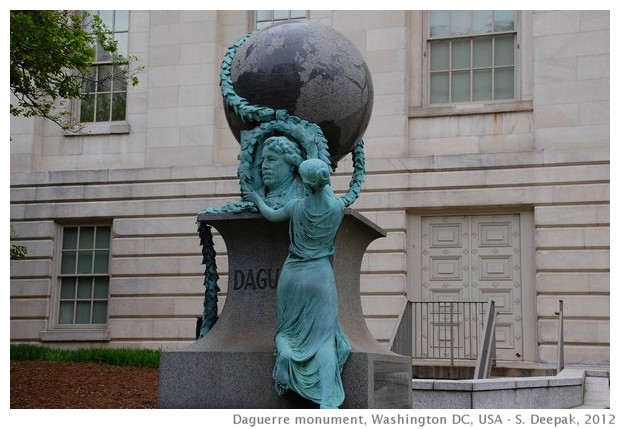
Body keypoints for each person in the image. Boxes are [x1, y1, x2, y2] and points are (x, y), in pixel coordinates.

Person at [247, 158, 351, 409]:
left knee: (286, 331)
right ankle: (327, 402)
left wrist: (256, 198)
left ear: (304, 182)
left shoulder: (296, 207)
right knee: (325, 340)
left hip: (293, 274)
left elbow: (271, 215)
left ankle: (285, 354)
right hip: (320, 276)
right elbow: (326, 189)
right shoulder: (337, 208)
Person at [258, 136, 306, 209]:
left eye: (271, 159)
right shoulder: (258, 194)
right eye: (263, 160)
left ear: (291, 164)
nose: (264, 166)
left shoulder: (305, 192)